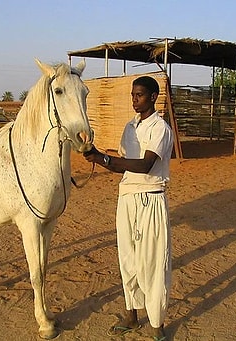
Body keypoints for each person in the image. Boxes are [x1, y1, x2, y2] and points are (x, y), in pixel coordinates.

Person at [83, 75, 173, 340]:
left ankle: (157, 326)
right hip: (127, 199)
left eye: (140, 95)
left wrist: (106, 158)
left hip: (151, 198)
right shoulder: (129, 128)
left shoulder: (160, 128)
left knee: (152, 263)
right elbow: (120, 166)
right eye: (133, 95)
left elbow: (145, 166)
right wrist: (96, 155)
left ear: (153, 97)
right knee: (128, 259)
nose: (135, 99)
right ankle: (132, 317)